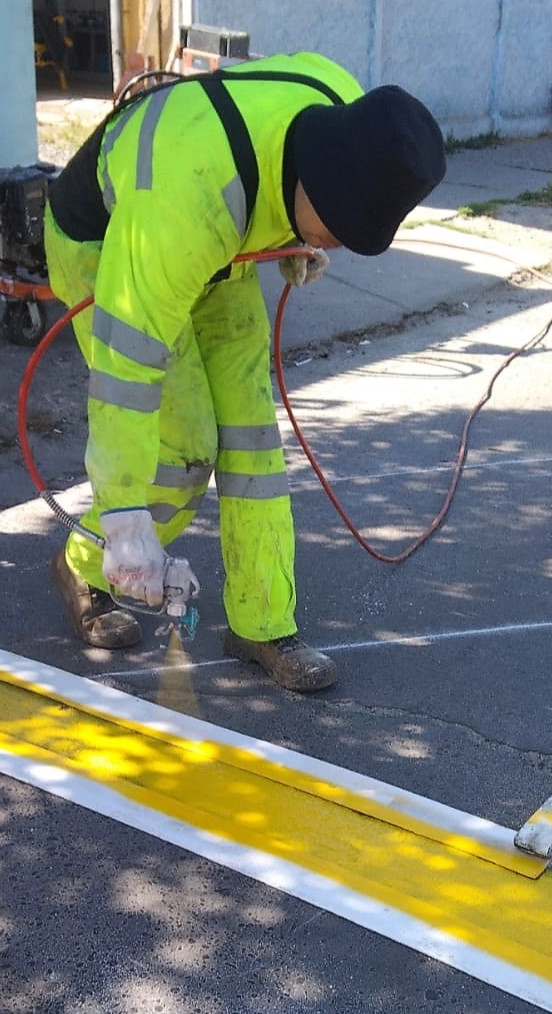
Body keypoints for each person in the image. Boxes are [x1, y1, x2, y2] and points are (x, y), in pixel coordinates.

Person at [43, 50, 446, 692]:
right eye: (335, 229)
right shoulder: (182, 204)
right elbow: (126, 371)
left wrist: (294, 240)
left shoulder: (341, 108)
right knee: (185, 447)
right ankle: (87, 563)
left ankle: (261, 622)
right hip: (111, 245)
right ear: (310, 180)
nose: (335, 244)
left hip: (222, 246)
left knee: (252, 436)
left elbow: (280, 189)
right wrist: (124, 517)